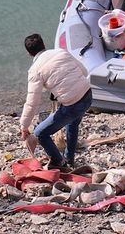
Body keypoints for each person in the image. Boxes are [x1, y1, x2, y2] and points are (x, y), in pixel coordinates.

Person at [19, 33, 93, 171]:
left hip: (72, 105)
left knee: (41, 133)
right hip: (88, 95)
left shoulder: (35, 71)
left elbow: (32, 103)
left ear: (28, 53)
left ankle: (59, 162)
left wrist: (24, 127)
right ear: (44, 45)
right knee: (73, 123)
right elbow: (84, 71)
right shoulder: (60, 52)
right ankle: (69, 159)